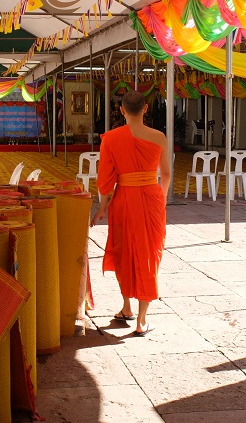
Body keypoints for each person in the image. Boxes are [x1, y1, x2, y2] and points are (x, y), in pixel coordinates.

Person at [90, 90, 171, 337]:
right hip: (151, 197)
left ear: (122, 110)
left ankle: (126, 307)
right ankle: (141, 319)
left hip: (123, 199)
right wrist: (161, 199)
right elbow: (166, 174)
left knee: (123, 251)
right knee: (149, 253)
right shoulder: (158, 137)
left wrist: (102, 206)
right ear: (145, 108)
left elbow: (105, 179)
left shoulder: (112, 139)